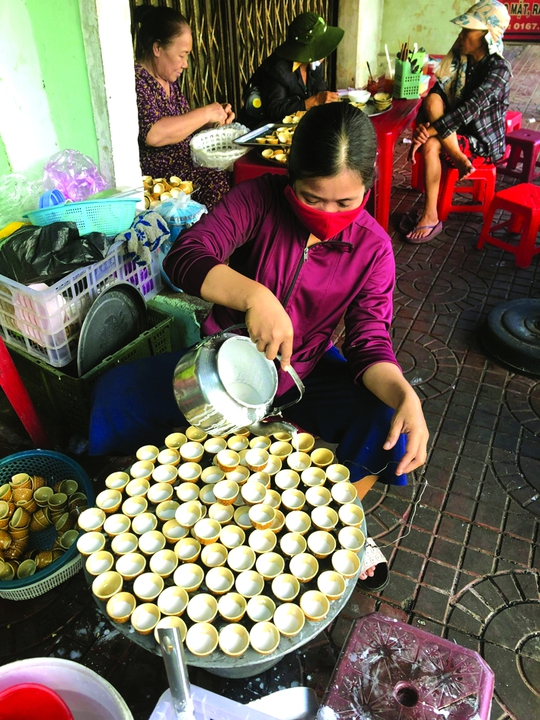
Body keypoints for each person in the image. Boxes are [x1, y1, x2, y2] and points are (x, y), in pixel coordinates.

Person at [90, 103, 429, 589]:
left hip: (299, 374)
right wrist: (254, 296)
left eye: (346, 202)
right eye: (314, 198)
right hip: (220, 372)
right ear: (289, 179)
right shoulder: (258, 199)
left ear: (368, 187)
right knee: (116, 392)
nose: (329, 215)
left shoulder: (373, 249)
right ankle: (128, 485)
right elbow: (186, 257)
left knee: (385, 416)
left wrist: (405, 395)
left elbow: (369, 342)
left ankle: (333, 522)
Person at [402, 0, 511, 243]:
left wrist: (427, 134)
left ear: (486, 36)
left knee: (430, 144)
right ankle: (459, 159)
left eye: (467, 31)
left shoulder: (499, 70)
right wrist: (423, 128)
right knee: (432, 100)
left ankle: (430, 216)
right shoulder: (461, 60)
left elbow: (468, 110)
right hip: (455, 133)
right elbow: (437, 95)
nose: (461, 36)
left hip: (481, 141)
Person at [134, 5, 236, 209]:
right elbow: (154, 134)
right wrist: (204, 112)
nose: (186, 64)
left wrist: (211, 121)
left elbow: (180, 128)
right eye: (182, 55)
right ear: (157, 48)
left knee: (237, 172)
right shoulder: (137, 81)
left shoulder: (169, 83)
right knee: (216, 183)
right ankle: (204, 240)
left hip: (184, 167)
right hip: (161, 179)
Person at [239, 12, 343, 128]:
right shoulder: (278, 69)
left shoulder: (312, 63)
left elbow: (321, 92)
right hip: (264, 129)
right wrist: (313, 101)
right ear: (306, 48)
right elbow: (275, 110)